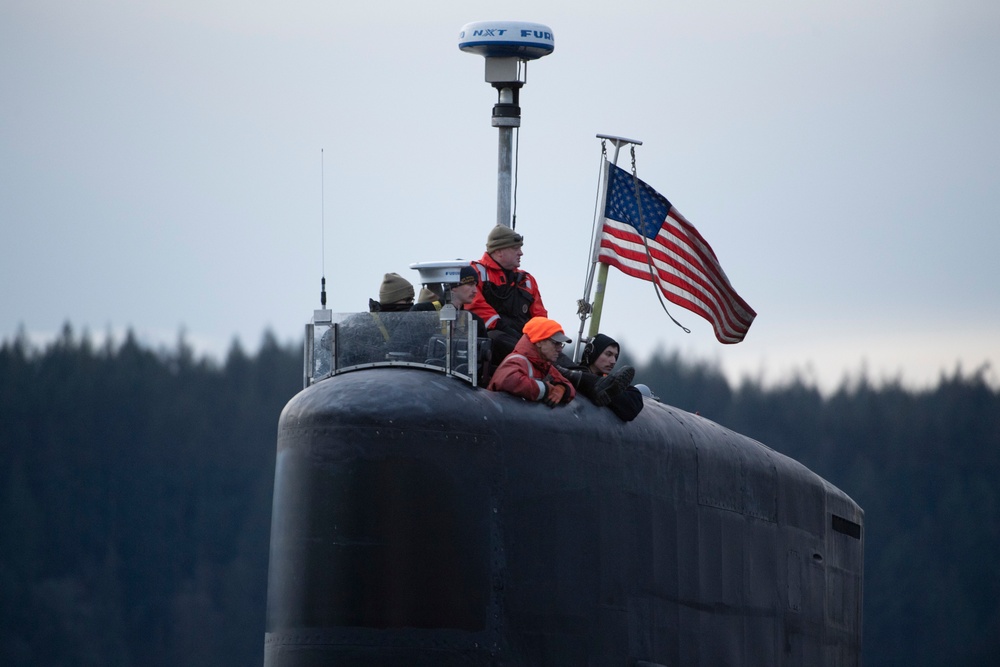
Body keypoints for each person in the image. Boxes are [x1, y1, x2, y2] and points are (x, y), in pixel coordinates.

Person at [469, 225, 547, 362]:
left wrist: (543, 337)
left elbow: (540, 317)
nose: (521, 253)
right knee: (498, 339)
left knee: (556, 355)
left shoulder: (527, 280)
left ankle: (579, 375)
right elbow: (475, 305)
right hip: (496, 339)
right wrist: (503, 327)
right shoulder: (476, 273)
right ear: (499, 251)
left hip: (529, 339)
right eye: (516, 248)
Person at [488, 316, 575, 407]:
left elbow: (566, 383)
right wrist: (546, 389)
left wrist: (561, 389)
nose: (560, 349)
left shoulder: (544, 365)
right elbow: (507, 380)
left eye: (561, 345)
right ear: (539, 342)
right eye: (556, 343)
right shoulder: (517, 360)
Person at [565, 333, 644, 422]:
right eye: (608, 354)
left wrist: (609, 392)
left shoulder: (614, 383)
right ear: (592, 353)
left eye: (615, 356)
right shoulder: (572, 374)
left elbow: (632, 407)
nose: (613, 361)